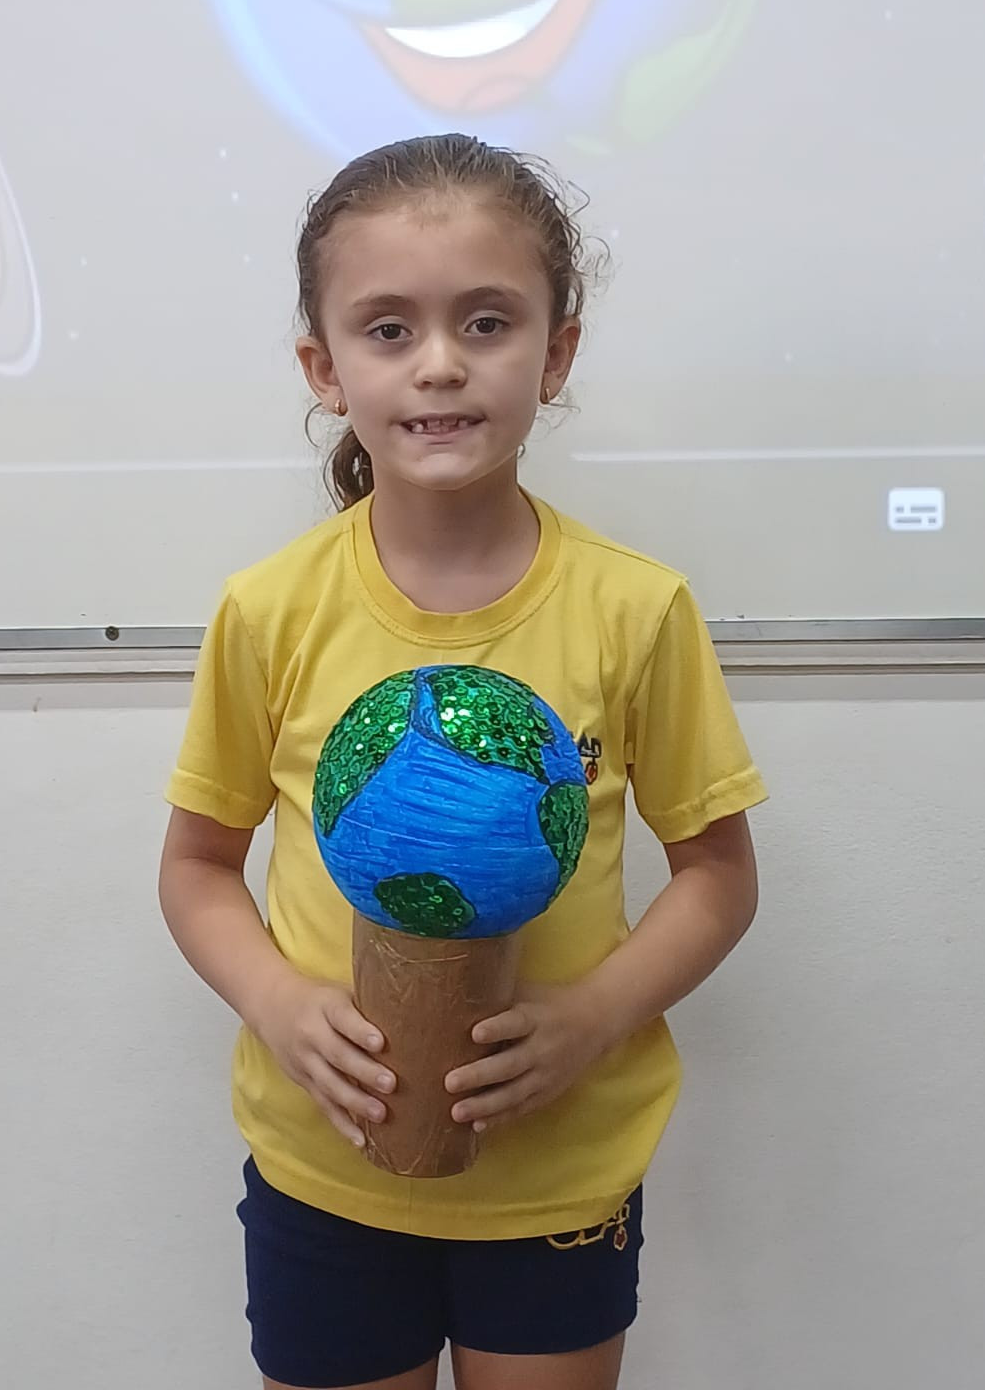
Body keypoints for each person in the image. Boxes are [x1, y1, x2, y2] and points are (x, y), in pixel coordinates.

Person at [159, 133, 767, 1390]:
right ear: (324, 368)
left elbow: (717, 875)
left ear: (557, 351)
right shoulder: (270, 610)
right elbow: (197, 866)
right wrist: (277, 1003)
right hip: (325, 1169)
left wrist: (592, 1017)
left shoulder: (635, 609)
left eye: (486, 321)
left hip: (557, 1176)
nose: (439, 361)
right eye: (389, 329)